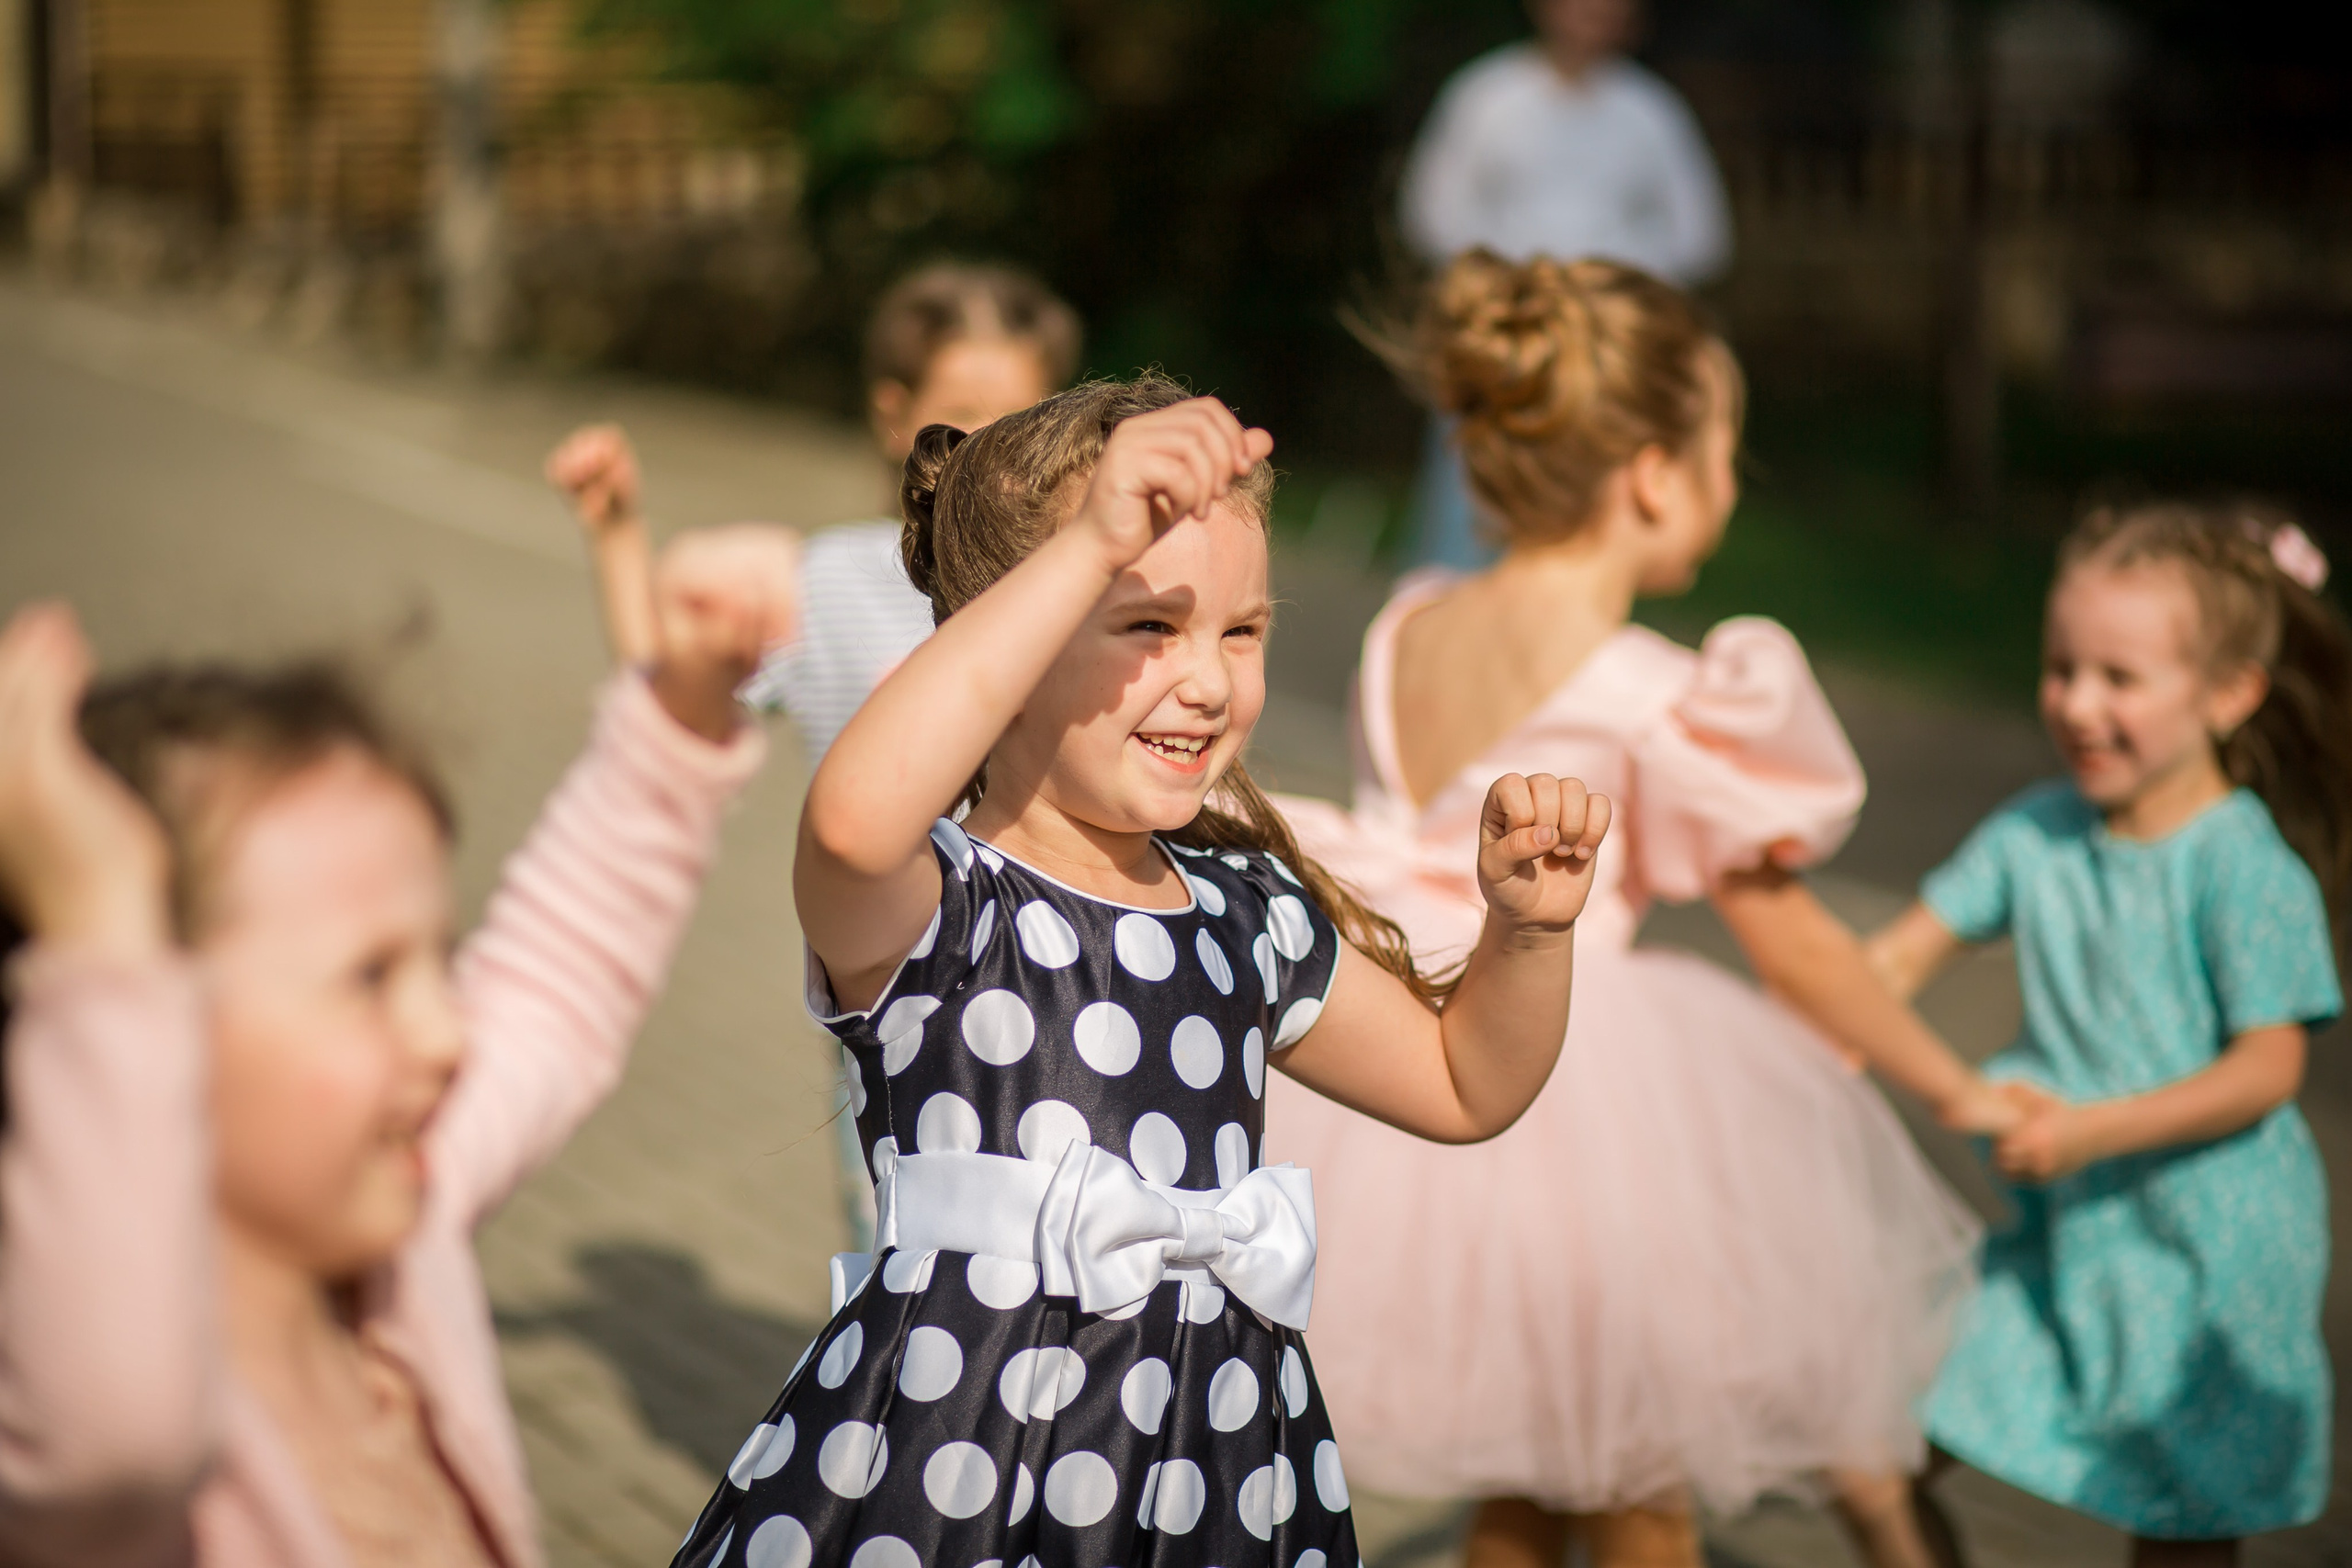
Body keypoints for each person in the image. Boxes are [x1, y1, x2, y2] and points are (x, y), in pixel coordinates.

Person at [668, 375, 1613, 1568]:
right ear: (1009, 643)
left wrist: (1527, 933)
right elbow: (850, 824)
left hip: (1216, 1473)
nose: (1210, 680)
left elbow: (1465, 1082)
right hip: (961, 1469)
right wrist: (1095, 539)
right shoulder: (942, 905)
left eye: (1242, 629)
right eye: (1147, 624)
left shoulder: (1250, 912)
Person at [1262, 251, 1994, 1568]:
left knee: (1529, 1479)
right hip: (1582, 1105)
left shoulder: (1409, 624)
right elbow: (1801, 947)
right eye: (1731, 456)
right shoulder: (1654, 692)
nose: (1729, 485)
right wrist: (1957, 1085)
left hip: (1413, 1072)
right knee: (1640, 1486)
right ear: (1656, 472)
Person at [0, 545, 783, 1565]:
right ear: (140, 1043)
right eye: (368, 978)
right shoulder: (70, 1391)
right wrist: (98, 931)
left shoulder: (406, 1235)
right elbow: (112, 1438)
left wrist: (674, 728)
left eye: (437, 964)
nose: (448, 1034)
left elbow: (552, 974)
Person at [547, 259, 1083, 1249]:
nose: (997, 450)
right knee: (913, 1251)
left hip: (1071, 969)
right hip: (902, 988)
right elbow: (673, 689)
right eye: (963, 416)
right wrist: (620, 537)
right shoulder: (831, 578)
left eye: (1025, 416)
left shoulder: (1082, 581)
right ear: (894, 417)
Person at [1868, 503, 2351, 1567]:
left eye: (2118, 679)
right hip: (2064, 1238)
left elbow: (2268, 1070)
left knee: (2174, 1533)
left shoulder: (2241, 866)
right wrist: (1808, 1013)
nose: (2077, 705)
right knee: (1877, 1451)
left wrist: (2090, 1131)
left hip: (2211, 1260)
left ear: (2229, 695)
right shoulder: (2034, 834)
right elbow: (1890, 964)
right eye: (2059, 667)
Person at [1397, 0, 1733, 570]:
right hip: (1502, 341)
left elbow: (1700, 236)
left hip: (1599, 362)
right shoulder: (1486, 96)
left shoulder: (1652, 115)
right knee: (1466, 510)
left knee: (1589, 523)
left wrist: (1610, 289)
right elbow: (1432, 212)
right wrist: (1510, 285)